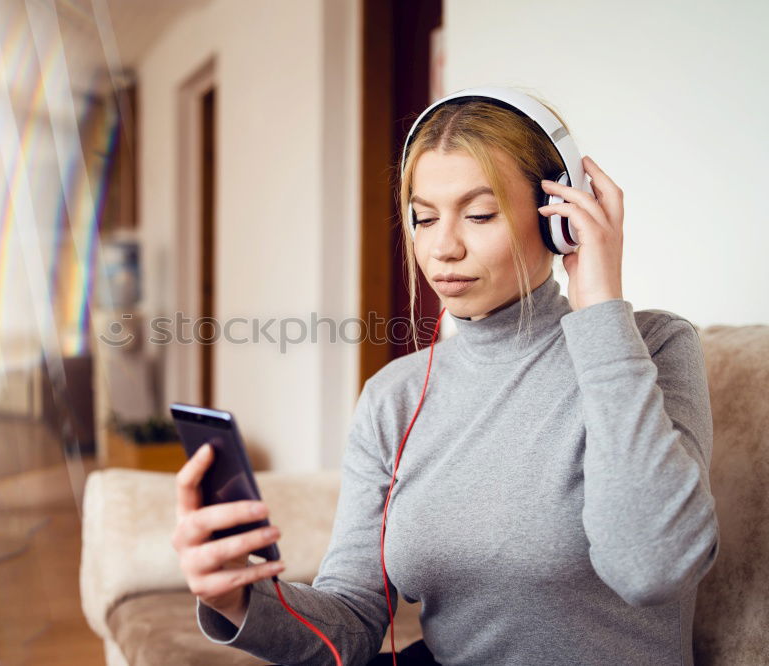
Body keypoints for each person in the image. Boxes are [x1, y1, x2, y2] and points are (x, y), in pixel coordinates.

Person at [170, 91, 719, 665]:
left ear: (559, 219)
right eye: (423, 217)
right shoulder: (393, 397)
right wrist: (237, 599)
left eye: (480, 215)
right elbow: (352, 622)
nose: (442, 248)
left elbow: (652, 566)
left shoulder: (652, 348)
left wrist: (601, 305)